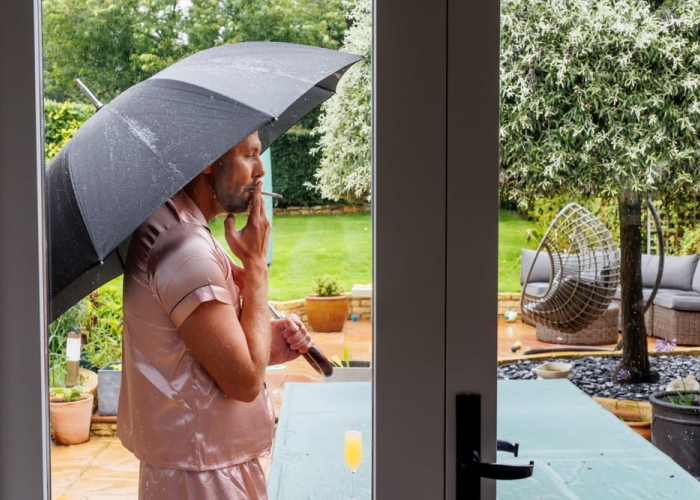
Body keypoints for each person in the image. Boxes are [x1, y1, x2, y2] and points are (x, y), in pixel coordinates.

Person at [117, 130, 313, 499]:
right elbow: (242, 382)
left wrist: (264, 344)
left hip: (200, 462)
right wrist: (255, 265)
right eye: (250, 155)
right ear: (209, 159)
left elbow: (192, 353)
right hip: (204, 476)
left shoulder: (175, 226)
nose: (260, 171)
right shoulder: (187, 251)